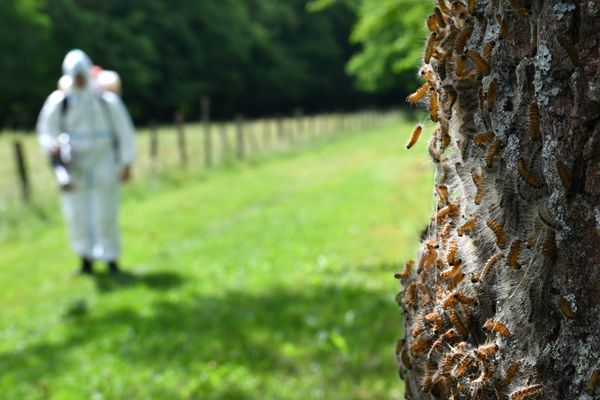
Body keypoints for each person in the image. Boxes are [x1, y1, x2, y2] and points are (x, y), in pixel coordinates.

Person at [37, 49, 136, 274]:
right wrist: (53, 148)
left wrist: (126, 162)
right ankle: (85, 258)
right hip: (75, 164)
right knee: (76, 214)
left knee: (106, 213)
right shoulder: (60, 101)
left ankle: (111, 259)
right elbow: (46, 129)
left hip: (105, 162)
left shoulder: (105, 100)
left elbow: (125, 132)